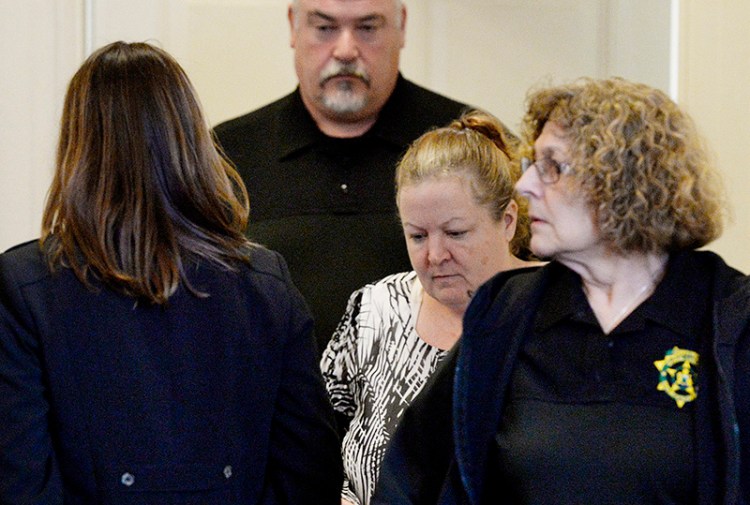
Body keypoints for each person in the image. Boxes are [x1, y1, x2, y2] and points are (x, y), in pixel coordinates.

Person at [373, 77, 750, 505]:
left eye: (551, 167)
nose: (525, 184)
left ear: (622, 182)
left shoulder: (730, 323)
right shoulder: (506, 312)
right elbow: (409, 479)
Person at [0, 41, 342, 504]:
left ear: (76, 146)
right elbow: (308, 473)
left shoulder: (25, 287)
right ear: (189, 139)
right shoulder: (265, 283)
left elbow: (20, 482)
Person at [213, 0, 476, 351]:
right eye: (325, 28)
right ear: (293, 26)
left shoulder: (471, 147)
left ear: (402, 28)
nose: (346, 50)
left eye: (368, 28)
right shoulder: (224, 157)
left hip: (437, 402)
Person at [321, 110, 539, 505]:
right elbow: (314, 450)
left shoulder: (556, 309)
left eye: (456, 233)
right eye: (417, 236)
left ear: (507, 221)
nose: (435, 255)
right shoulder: (376, 309)